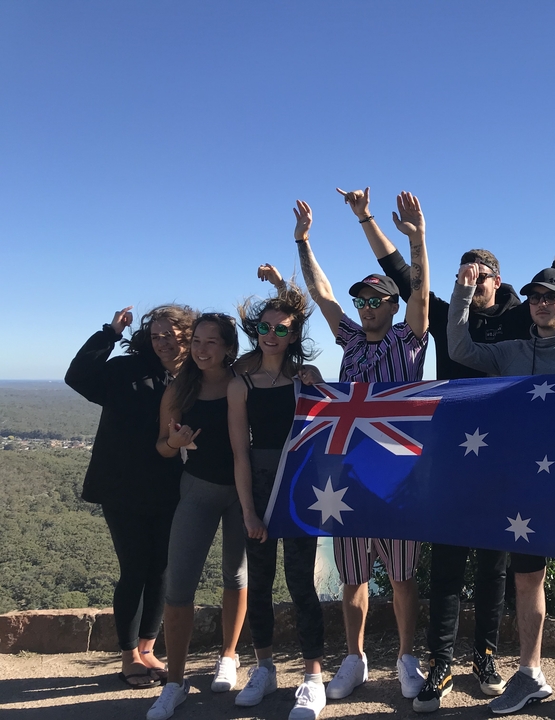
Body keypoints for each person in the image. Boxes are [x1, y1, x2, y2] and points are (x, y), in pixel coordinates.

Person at [344, 178, 555, 713]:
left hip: (514, 465)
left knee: (498, 565)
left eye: (481, 275)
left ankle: (487, 657)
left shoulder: (521, 319)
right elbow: (406, 274)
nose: (472, 281)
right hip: (454, 456)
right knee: (447, 561)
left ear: (500, 281)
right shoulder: (451, 317)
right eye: (465, 275)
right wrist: (370, 221)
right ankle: (441, 663)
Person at [447, 266, 555, 720]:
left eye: (551, 296)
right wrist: (464, 292)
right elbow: (459, 348)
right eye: (535, 297)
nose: (542, 303)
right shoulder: (512, 352)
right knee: (527, 581)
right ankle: (529, 673)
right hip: (523, 488)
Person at [294, 190, 430, 702]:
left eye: (378, 300)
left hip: (397, 477)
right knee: (351, 576)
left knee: (400, 575)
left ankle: (406, 658)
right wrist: (304, 242)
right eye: (363, 301)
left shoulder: (409, 339)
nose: (368, 308)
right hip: (346, 475)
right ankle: (354, 658)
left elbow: (421, 289)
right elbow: (322, 292)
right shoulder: (350, 340)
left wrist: (417, 241)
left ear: (393, 306)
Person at [65, 304, 197, 688]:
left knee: (161, 571)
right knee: (135, 568)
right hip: (122, 486)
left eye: (168, 336)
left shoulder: (194, 375)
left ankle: (148, 648)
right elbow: (79, 377)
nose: (161, 343)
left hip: (172, 485)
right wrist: (109, 333)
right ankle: (128, 656)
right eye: (155, 336)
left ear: (186, 335)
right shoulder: (127, 368)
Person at [228, 284, 327, 720]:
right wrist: (249, 510)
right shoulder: (240, 384)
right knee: (261, 584)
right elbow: (239, 452)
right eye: (264, 327)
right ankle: (264, 667)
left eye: (280, 328)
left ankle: (312, 677)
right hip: (260, 488)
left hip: (299, 488)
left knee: (302, 583)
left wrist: (315, 380)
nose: (271, 334)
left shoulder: (306, 380)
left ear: (293, 333)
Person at [145, 313, 245, 720]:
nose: (202, 350)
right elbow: (161, 449)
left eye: (211, 343)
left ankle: (229, 656)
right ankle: (174, 682)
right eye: (198, 342)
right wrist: (174, 440)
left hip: (241, 495)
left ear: (227, 348)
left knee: (235, 576)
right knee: (179, 586)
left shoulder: (244, 381)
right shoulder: (179, 388)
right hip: (197, 492)